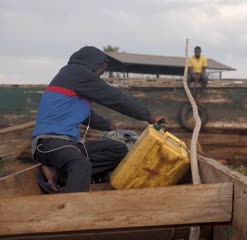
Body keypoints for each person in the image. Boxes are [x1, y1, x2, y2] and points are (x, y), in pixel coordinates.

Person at [32, 46, 166, 193]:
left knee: (118, 149)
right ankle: (72, 207)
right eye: (100, 72)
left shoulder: (70, 76)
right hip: (48, 143)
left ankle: (62, 176)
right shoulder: (78, 73)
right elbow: (115, 98)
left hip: (68, 143)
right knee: (80, 164)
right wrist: (149, 117)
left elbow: (86, 115)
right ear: (94, 65)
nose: (98, 77)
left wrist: (110, 127)